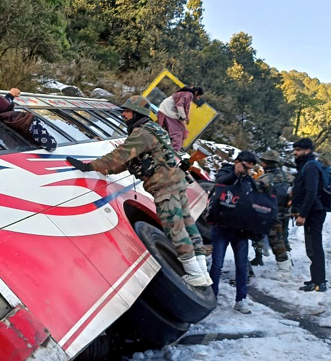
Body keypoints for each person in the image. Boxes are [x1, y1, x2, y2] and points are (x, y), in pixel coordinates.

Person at [65, 95, 211, 287]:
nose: (123, 114)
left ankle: (194, 273)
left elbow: (121, 155)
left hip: (164, 187)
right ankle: (201, 270)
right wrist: (106, 170)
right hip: (176, 183)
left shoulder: (142, 134)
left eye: (126, 111)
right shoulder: (155, 130)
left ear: (136, 112)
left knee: (174, 228)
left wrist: (91, 166)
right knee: (187, 224)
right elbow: (132, 161)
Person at [208, 151, 259, 314]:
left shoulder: (249, 181)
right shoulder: (225, 172)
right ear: (238, 162)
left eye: (250, 168)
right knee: (217, 264)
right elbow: (220, 184)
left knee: (242, 266)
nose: (247, 170)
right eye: (246, 166)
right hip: (221, 227)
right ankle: (212, 297)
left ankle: (241, 299)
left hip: (240, 231)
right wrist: (235, 174)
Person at [291, 138, 327, 292]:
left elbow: (311, 193)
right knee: (312, 247)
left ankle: (320, 282)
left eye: (298, 150)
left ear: (307, 151)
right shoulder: (307, 165)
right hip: (313, 212)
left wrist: (303, 214)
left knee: (315, 247)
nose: (295, 153)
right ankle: (316, 279)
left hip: (314, 213)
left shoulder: (311, 167)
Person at [252, 150, 294, 273]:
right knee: (284, 237)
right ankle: (288, 261)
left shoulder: (263, 179)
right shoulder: (288, 176)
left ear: (264, 164)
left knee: (272, 239)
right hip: (286, 212)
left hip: (271, 215)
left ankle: (282, 269)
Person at [0, 88, 57, 152]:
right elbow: (51, 146)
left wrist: (10, 95)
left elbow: (0, 107)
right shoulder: (29, 121)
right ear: (10, 106)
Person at [156, 86, 205, 150]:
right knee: (178, 133)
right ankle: (173, 151)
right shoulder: (189, 95)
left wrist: (186, 117)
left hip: (167, 111)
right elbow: (179, 105)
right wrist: (184, 117)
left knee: (182, 130)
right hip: (168, 112)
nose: (198, 99)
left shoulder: (187, 94)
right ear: (196, 93)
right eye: (199, 97)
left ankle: (171, 148)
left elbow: (185, 108)